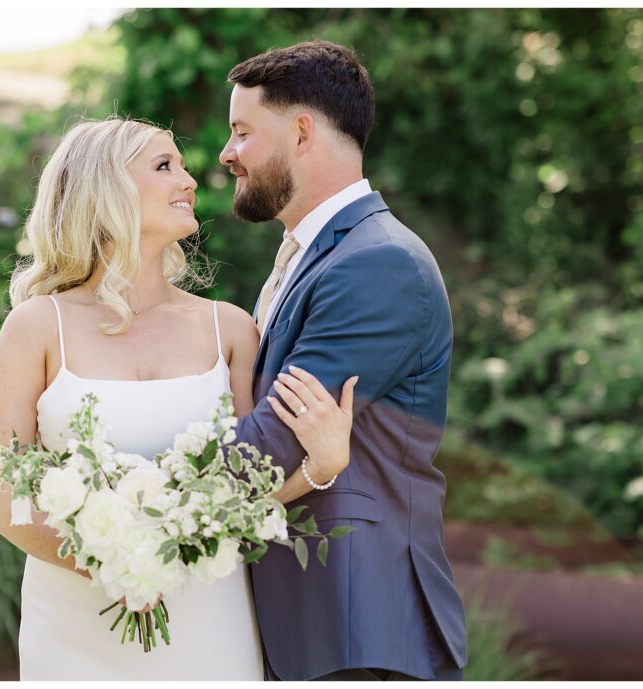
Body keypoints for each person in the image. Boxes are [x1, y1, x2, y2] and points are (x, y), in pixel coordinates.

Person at [0, 117, 355, 680]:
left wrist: (321, 467)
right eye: (163, 166)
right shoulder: (35, 328)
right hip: (74, 631)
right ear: (106, 190)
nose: (190, 180)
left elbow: (248, 493)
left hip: (210, 624)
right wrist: (120, 566)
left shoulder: (230, 330)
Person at [220, 40, 469, 681]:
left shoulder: (377, 264)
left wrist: (122, 494)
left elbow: (275, 439)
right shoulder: (316, 254)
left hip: (356, 625)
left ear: (301, 132)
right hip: (314, 620)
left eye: (242, 132)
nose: (226, 155)